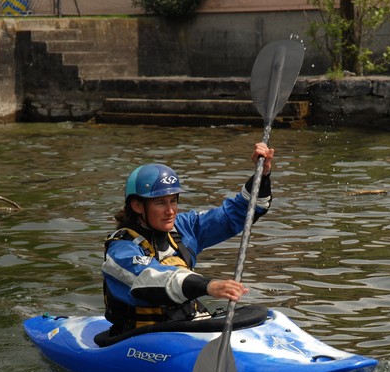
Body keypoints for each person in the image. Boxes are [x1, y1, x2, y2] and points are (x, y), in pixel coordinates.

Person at [102, 142, 275, 336]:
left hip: (183, 327)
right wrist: (207, 285)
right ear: (137, 205)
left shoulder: (184, 227)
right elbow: (151, 277)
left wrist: (262, 175)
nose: (170, 211)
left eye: (173, 201)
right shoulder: (121, 249)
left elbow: (235, 214)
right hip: (139, 338)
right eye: (160, 203)